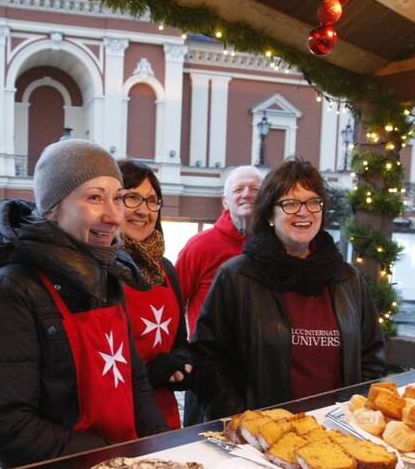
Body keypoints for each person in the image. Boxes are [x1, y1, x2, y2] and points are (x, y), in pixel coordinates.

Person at [0, 139, 168, 469]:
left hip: (122, 468)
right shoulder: (12, 289)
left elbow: (135, 382)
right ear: (52, 208)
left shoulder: (107, 275)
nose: (114, 216)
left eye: (118, 199)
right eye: (94, 198)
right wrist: (111, 457)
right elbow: (9, 425)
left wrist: (160, 447)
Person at [191, 157, 386, 419]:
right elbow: (209, 359)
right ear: (270, 212)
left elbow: (371, 357)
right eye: (290, 203)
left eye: (313, 202)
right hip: (262, 438)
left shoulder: (347, 278)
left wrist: (353, 414)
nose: (303, 212)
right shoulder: (238, 277)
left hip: (337, 434)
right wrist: (240, 421)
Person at [174, 165, 262, 425]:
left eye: (255, 189)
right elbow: (173, 303)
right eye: (238, 189)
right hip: (210, 371)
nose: (247, 194)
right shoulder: (201, 246)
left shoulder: (277, 249)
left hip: (259, 371)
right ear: (225, 200)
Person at [116, 160, 193, 428]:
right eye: (132, 198)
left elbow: (180, 342)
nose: (143, 211)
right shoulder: (99, 268)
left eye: (151, 201)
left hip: (163, 421)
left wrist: (181, 364)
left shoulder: (165, 269)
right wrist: (149, 374)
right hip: (117, 422)